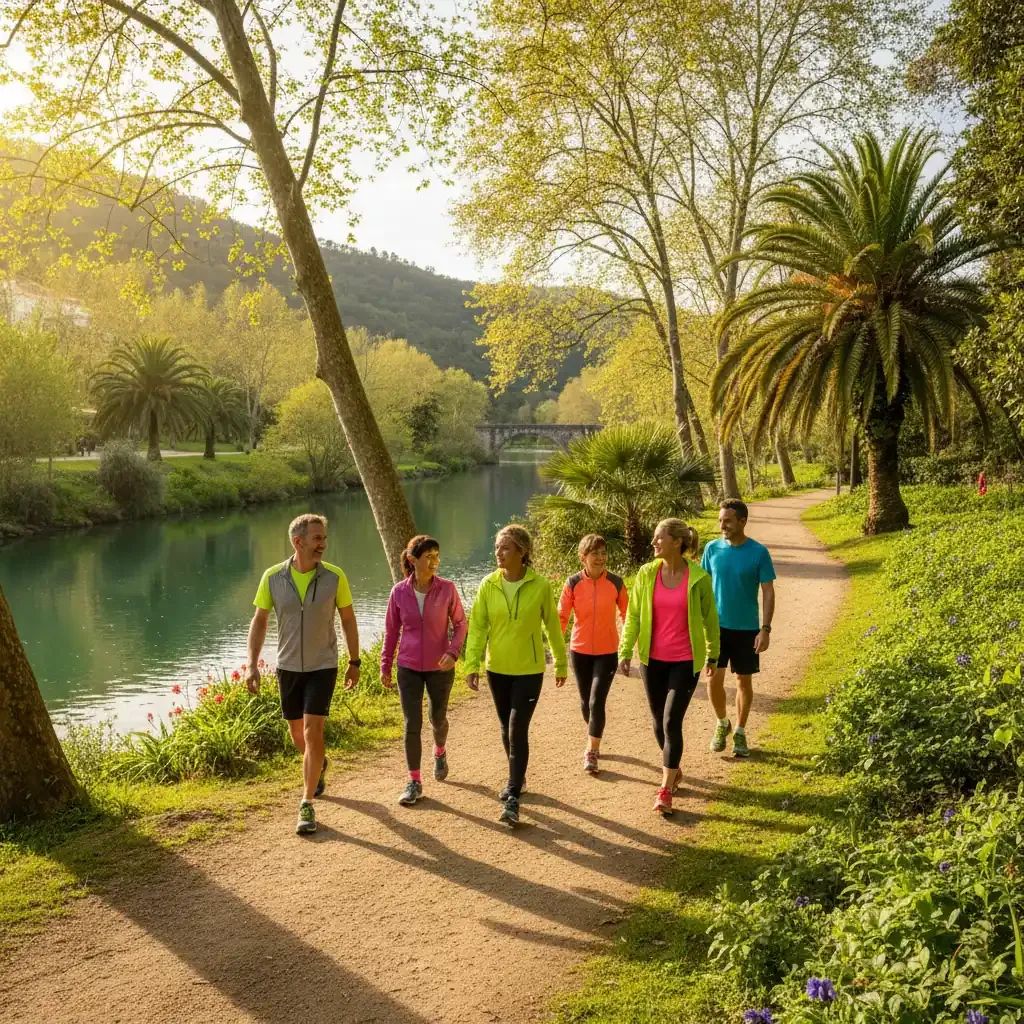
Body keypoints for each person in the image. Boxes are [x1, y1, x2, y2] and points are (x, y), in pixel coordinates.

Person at [245, 513, 360, 836]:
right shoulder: (272, 577)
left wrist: (355, 661)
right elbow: (260, 621)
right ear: (298, 542)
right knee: (297, 734)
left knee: (312, 731)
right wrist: (252, 664)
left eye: (323, 538)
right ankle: (318, 765)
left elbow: (349, 619)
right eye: (317, 538)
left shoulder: (335, 577)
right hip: (288, 666)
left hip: (324, 666)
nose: (323, 543)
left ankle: (306, 803)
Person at [464, 524, 567, 827]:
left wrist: (561, 662)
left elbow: (552, 625)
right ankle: (517, 777)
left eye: (505, 547)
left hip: (529, 670)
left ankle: (512, 794)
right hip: (497, 669)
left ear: (522, 552)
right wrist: (472, 665)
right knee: (504, 728)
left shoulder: (540, 586)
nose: (498, 553)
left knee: (516, 726)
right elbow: (479, 627)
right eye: (497, 547)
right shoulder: (488, 585)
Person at [618, 518, 719, 815]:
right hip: (652, 660)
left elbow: (710, 619)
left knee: (671, 721)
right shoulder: (646, 574)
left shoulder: (698, 578)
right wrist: (625, 651)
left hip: (685, 661)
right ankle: (674, 769)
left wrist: (713, 654)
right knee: (657, 721)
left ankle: (665, 789)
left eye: (658, 538)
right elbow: (634, 616)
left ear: (677, 542)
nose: (653, 543)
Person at [381, 534, 468, 807]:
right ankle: (414, 781)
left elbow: (461, 625)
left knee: (437, 718)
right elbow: (391, 631)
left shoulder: (447, 589)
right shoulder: (398, 592)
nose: (434, 562)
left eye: (436, 556)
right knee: (411, 724)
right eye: (428, 557)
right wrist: (385, 664)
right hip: (407, 666)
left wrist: (453, 652)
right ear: (412, 559)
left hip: (440, 666)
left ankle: (439, 750)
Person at [700, 498, 776, 758]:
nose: (723, 525)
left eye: (728, 521)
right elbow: (702, 589)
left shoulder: (758, 552)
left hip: (746, 629)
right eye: (720, 520)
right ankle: (722, 722)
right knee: (713, 679)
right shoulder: (711, 549)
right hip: (716, 628)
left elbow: (767, 591)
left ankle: (741, 731)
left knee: (743, 680)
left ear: (742, 521)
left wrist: (765, 629)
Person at [558, 534, 628, 774]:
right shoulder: (572, 583)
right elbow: (561, 617)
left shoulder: (616, 583)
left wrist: (628, 645)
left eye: (603, 553)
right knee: (585, 702)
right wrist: (556, 648)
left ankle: (591, 750)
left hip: (608, 651)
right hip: (579, 650)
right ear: (583, 557)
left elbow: (627, 614)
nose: (600, 558)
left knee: (597, 700)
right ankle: (594, 733)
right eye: (594, 553)